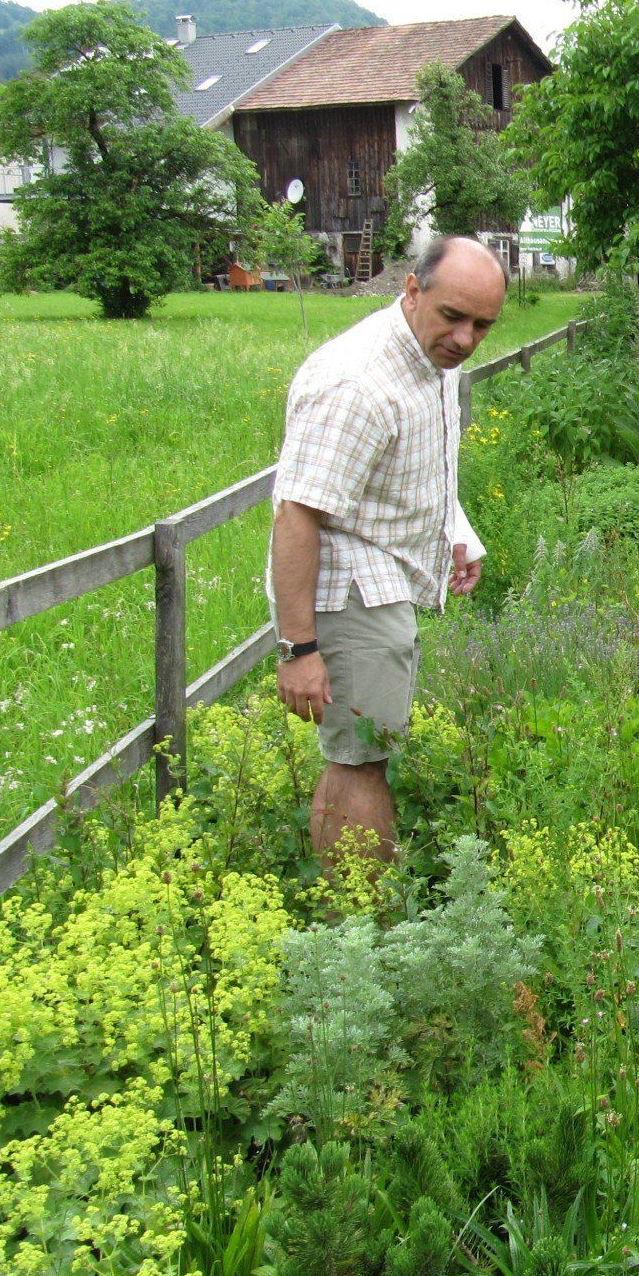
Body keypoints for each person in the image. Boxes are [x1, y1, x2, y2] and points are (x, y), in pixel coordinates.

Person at [272, 235, 503, 863]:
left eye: (483, 324)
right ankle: (357, 933)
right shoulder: (357, 383)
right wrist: (299, 650)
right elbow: (295, 514)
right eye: (452, 316)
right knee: (359, 762)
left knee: (367, 754)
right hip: (348, 590)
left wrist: (457, 533)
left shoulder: (427, 361)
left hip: (384, 579)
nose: (465, 338)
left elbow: (417, 466)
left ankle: (362, 918)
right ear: (410, 289)